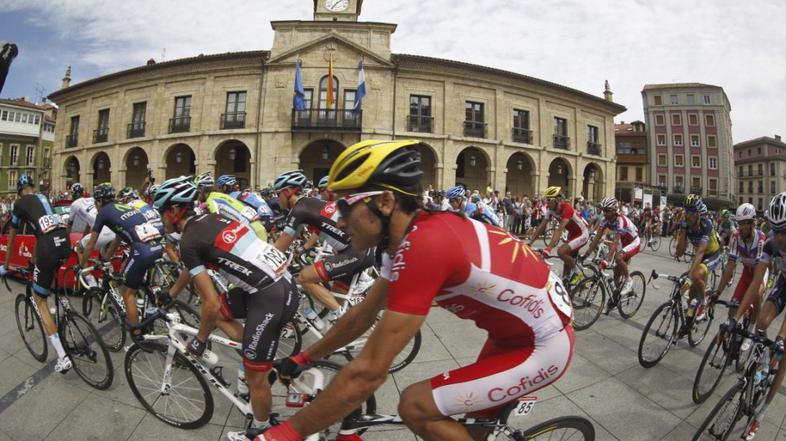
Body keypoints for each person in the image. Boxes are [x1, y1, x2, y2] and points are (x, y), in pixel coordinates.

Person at [259, 140, 574, 441]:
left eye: (344, 206)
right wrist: (304, 356)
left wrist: (285, 433)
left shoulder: (427, 245)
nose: (338, 221)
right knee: (469, 431)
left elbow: (369, 372)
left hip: (544, 344)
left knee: (415, 405)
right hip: (512, 337)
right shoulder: (399, 242)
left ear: (385, 202)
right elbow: (362, 315)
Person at [151, 177, 297, 441]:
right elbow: (191, 266)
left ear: (173, 211)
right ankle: (261, 352)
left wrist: (200, 340)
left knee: (255, 378)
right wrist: (171, 293)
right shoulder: (214, 219)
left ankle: (262, 430)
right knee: (221, 318)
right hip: (280, 282)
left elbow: (210, 302)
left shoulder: (188, 241)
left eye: (161, 211)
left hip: (270, 294)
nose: (160, 218)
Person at [273, 169, 375, 327]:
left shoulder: (299, 209)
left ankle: (342, 318)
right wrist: (298, 250)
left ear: (287, 191)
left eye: (277, 193)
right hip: (359, 251)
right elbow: (296, 235)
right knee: (337, 296)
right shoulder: (309, 203)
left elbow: (281, 244)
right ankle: (341, 335)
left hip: (354, 253)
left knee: (304, 278)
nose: (276, 198)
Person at [0, 175, 72, 373]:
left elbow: (12, 239)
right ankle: (65, 311)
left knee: (39, 299)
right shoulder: (44, 198)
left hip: (48, 247)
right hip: (65, 241)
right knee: (52, 282)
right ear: (32, 187)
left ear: (19, 191)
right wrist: (33, 259)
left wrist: (6, 266)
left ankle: (62, 357)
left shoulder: (19, 204)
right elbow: (41, 231)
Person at [731, 193, 786, 440]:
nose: (780, 237)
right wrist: (735, 318)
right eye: (776, 230)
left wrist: (782, 338)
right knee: (762, 322)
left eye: (785, 230)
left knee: (784, 352)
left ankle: (760, 414)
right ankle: (764, 361)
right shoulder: (772, 243)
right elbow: (755, 283)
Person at [80, 183, 164, 340]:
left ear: (99, 201)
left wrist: (81, 265)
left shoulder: (103, 213)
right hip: (157, 245)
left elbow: (91, 244)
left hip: (142, 250)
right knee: (131, 276)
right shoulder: (123, 206)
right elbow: (119, 237)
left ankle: (137, 336)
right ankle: (151, 305)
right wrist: (106, 258)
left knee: (127, 292)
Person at [712, 203, 767, 337]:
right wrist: (717, 293)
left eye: (743, 224)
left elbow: (758, 274)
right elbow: (730, 267)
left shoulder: (761, 239)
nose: (740, 228)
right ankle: (731, 341)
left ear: (752, 223)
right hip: (746, 275)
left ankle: (751, 330)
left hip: (759, 275)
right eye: (739, 223)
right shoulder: (736, 237)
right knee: (733, 306)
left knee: (758, 295)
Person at [675, 194, 722, 333]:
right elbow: (679, 252)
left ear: (698, 213)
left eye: (691, 212)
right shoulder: (685, 224)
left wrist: (690, 276)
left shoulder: (706, 224)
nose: (688, 215)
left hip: (712, 254)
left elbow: (701, 251)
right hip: (700, 256)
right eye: (686, 211)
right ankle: (690, 322)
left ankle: (703, 304)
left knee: (695, 276)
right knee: (690, 297)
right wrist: (682, 231)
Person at [527, 186, 590, 284]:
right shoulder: (550, 209)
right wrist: (529, 243)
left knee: (561, 252)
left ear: (558, 199)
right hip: (572, 234)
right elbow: (541, 227)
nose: (547, 202)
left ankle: (578, 271)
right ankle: (571, 288)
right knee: (566, 267)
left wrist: (549, 248)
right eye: (546, 199)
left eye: (549, 200)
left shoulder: (567, 208)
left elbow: (559, 229)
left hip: (582, 234)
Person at [582, 197, 640, 295]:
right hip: (624, 244)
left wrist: (607, 260)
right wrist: (587, 253)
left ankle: (628, 280)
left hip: (634, 242)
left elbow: (615, 242)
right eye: (603, 210)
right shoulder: (605, 220)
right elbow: (597, 238)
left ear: (614, 210)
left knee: (618, 257)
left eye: (607, 210)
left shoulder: (620, 220)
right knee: (616, 275)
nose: (604, 213)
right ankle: (617, 299)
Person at [67, 182, 116, 263]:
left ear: (73, 194)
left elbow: (69, 226)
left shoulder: (74, 205)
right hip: (113, 230)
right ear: (83, 192)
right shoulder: (92, 199)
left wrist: (66, 241)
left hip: (101, 231)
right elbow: (89, 225)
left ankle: (85, 274)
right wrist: (83, 238)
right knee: (104, 258)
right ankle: (108, 272)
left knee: (79, 248)